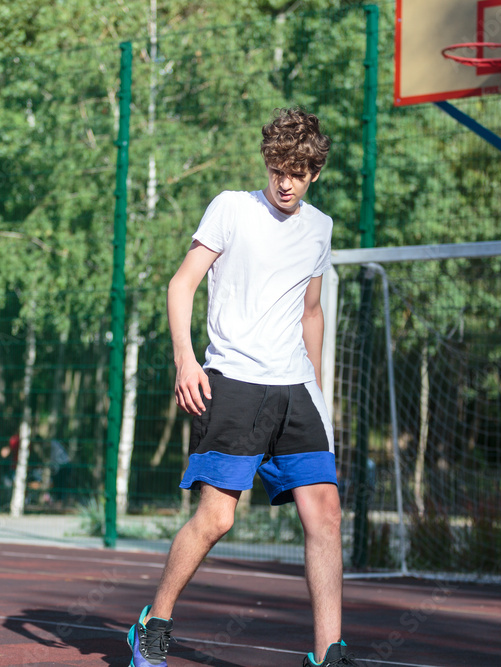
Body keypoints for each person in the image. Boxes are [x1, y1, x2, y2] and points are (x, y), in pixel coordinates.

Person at [127, 108, 355, 667]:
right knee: (218, 518)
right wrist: (186, 361)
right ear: (267, 163)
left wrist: (319, 393)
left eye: (298, 173)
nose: (285, 181)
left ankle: (329, 654)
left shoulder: (320, 228)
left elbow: (311, 312)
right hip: (232, 378)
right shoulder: (232, 207)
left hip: (295, 386)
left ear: (313, 176)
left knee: (325, 514)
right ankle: (154, 623)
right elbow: (182, 284)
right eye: (279, 168)